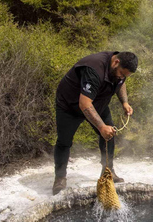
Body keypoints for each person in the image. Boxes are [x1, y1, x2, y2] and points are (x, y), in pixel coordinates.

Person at [52, 51, 137, 195]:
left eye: (125, 76)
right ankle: (60, 178)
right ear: (116, 62)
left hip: (98, 103)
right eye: (122, 73)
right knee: (64, 142)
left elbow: (121, 82)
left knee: (109, 135)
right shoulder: (94, 69)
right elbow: (84, 104)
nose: (122, 77)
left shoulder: (119, 70)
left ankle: (108, 171)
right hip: (69, 105)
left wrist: (125, 102)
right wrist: (101, 126)